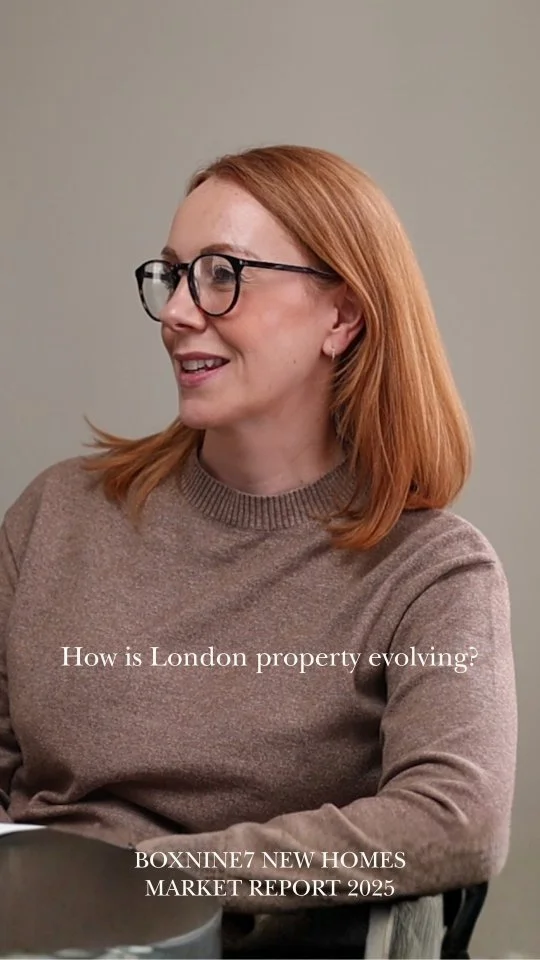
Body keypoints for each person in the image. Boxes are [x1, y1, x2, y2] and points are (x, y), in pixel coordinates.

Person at [0, 144, 517, 958]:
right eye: (174, 275)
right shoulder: (57, 513)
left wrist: (146, 880)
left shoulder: (433, 573)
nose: (178, 312)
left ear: (341, 317)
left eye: (222, 274)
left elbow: (456, 821)